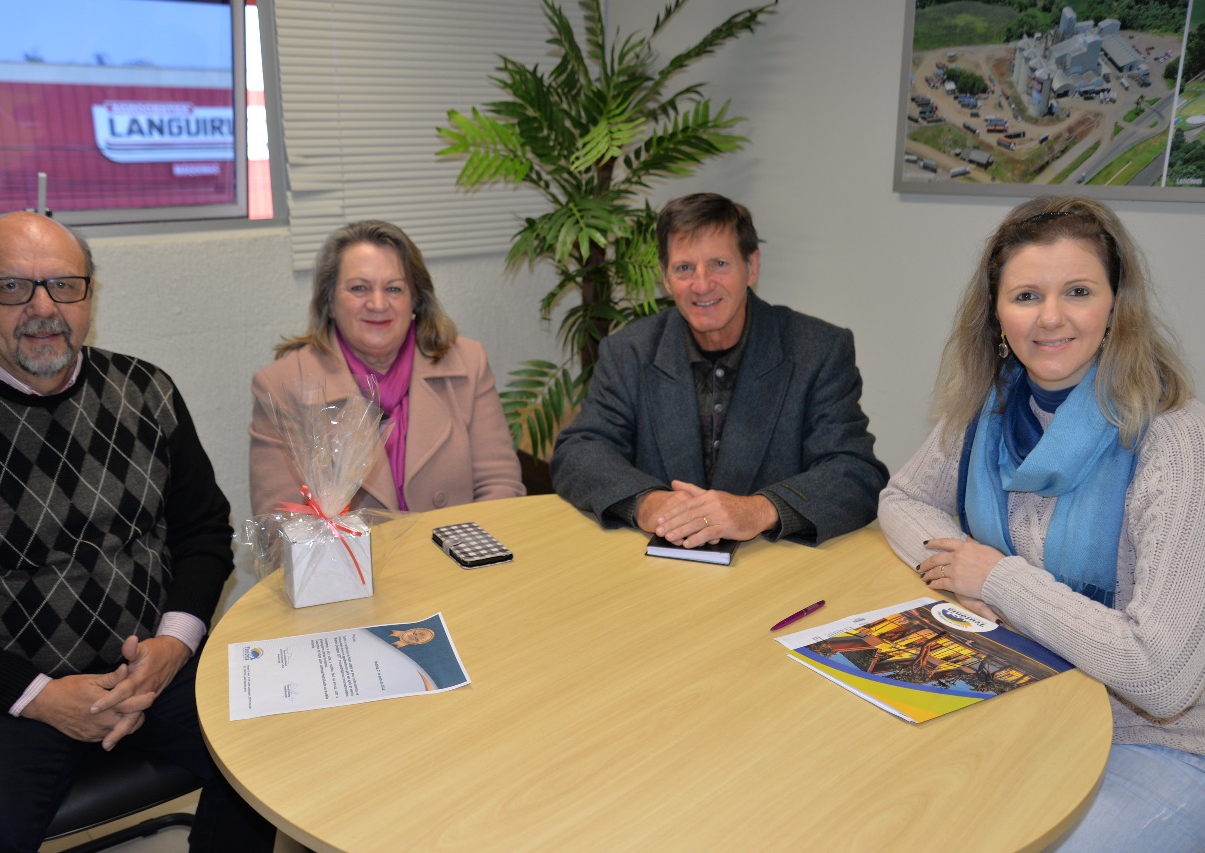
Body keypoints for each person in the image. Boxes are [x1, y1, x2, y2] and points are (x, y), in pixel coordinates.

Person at [0, 212, 275, 850]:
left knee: (277, 758)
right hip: (0, 699)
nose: (43, 308)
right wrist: (38, 695)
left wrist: (173, 647)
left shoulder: (147, 391)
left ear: (90, 295)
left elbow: (202, 532)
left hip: (153, 673)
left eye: (64, 285)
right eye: (12, 287)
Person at [878, 196, 1205, 851]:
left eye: (1078, 291)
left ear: (1116, 306)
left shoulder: (1174, 438)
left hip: (1157, 741)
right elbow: (902, 498)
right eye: (1026, 295)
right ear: (997, 313)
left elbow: (1162, 678)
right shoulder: (991, 405)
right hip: (1031, 700)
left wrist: (1001, 581)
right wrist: (964, 571)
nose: (1051, 317)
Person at [551, 192, 888, 547]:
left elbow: (856, 472)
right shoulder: (629, 351)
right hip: (658, 566)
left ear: (751, 267)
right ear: (666, 277)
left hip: (772, 564)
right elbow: (579, 451)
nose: (701, 284)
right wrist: (647, 502)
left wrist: (758, 510)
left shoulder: (818, 350)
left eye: (719, 264)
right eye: (684, 268)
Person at [249, 219, 524, 516]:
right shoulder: (282, 387)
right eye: (359, 288)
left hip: (456, 544)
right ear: (329, 301)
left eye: (394, 289)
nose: (378, 304)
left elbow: (501, 486)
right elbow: (280, 523)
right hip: (353, 550)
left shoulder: (469, 363)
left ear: (415, 300)